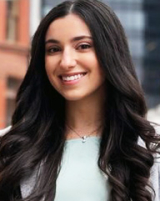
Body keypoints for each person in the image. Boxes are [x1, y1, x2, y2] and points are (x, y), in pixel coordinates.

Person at [0, 0, 159, 200]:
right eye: (53, 49)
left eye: (83, 46)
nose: (66, 62)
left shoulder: (151, 147)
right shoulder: (8, 147)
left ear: (110, 53)